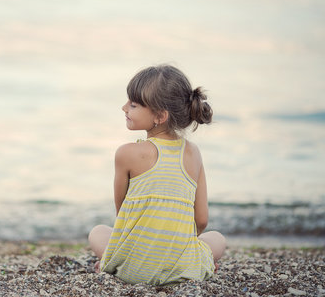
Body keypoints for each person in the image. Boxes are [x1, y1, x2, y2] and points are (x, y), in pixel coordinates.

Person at [88, 64, 226, 285]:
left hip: (132, 270)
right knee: (217, 239)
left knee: (98, 232)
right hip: (182, 270)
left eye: (133, 104)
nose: (124, 108)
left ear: (160, 116)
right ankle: (197, 264)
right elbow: (201, 220)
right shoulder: (193, 153)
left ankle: (113, 262)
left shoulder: (126, 154)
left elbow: (122, 214)